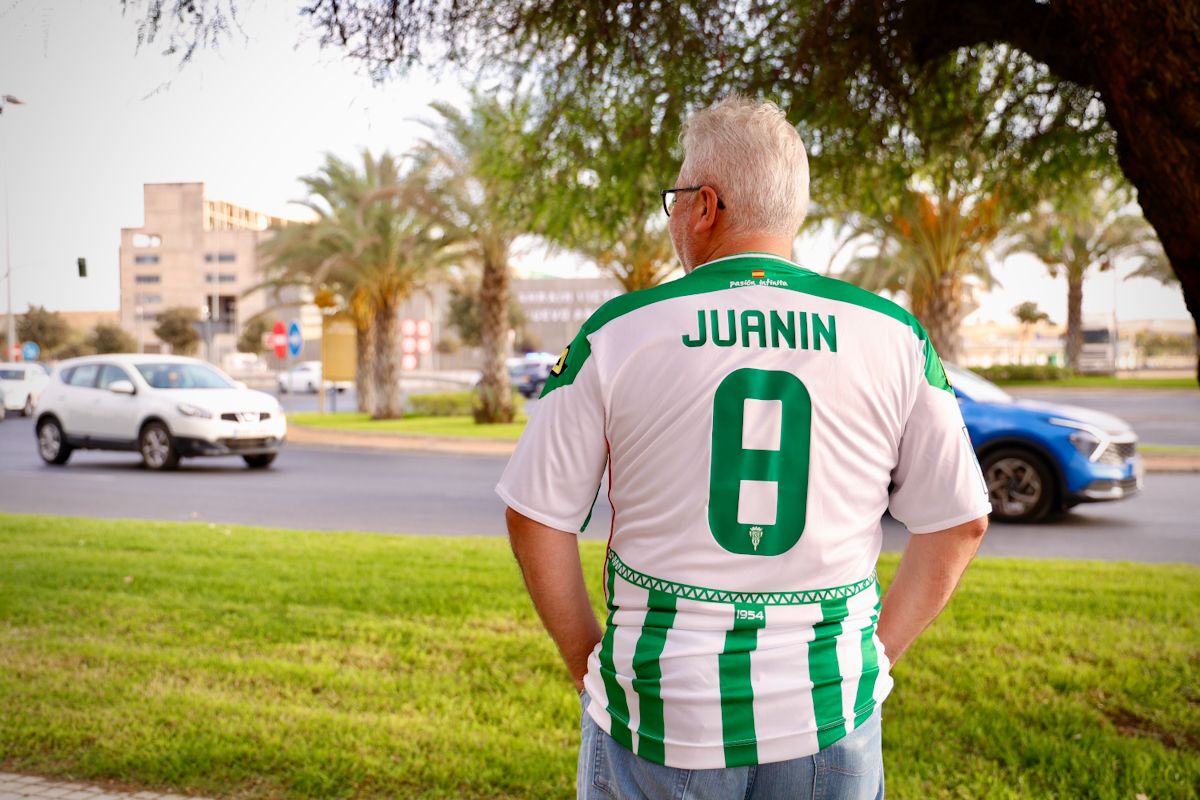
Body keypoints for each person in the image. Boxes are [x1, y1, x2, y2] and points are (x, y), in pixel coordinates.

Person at [497, 96, 990, 800]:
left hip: (659, 711)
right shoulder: (894, 336)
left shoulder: (619, 332)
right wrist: (872, 658)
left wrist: (588, 662)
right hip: (830, 711)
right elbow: (961, 521)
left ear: (706, 205)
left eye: (676, 198)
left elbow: (534, 515)